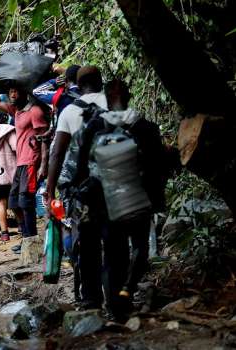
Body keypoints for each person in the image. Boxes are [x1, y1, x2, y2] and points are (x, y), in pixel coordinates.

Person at [98, 79, 168, 321]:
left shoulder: (97, 127)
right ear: (128, 95)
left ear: (106, 97)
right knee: (139, 247)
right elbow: (159, 165)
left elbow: (85, 166)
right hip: (140, 197)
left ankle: (114, 306)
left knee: (112, 254)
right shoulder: (146, 127)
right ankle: (127, 289)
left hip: (109, 200)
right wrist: (158, 197)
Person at [51, 66, 108, 310]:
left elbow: (57, 152)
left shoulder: (70, 111)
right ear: (100, 82)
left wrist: (49, 188)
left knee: (87, 241)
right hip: (116, 184)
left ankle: (91, 298)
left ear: (78, 84)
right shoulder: (116, 104)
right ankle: (119, 295)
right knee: (115, 240)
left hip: (83, 189)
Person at [0, 87, 49, 254]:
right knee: (13, 202)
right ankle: (26, 238)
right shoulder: (16, 111)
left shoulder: (35, 111)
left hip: (32, 161)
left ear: (25, 92)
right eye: (10, 91)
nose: (12, 94)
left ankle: (32, 239)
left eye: (15, 91)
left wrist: (43, 165)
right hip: (20, 163)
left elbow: (45, 137)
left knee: (26, 202)